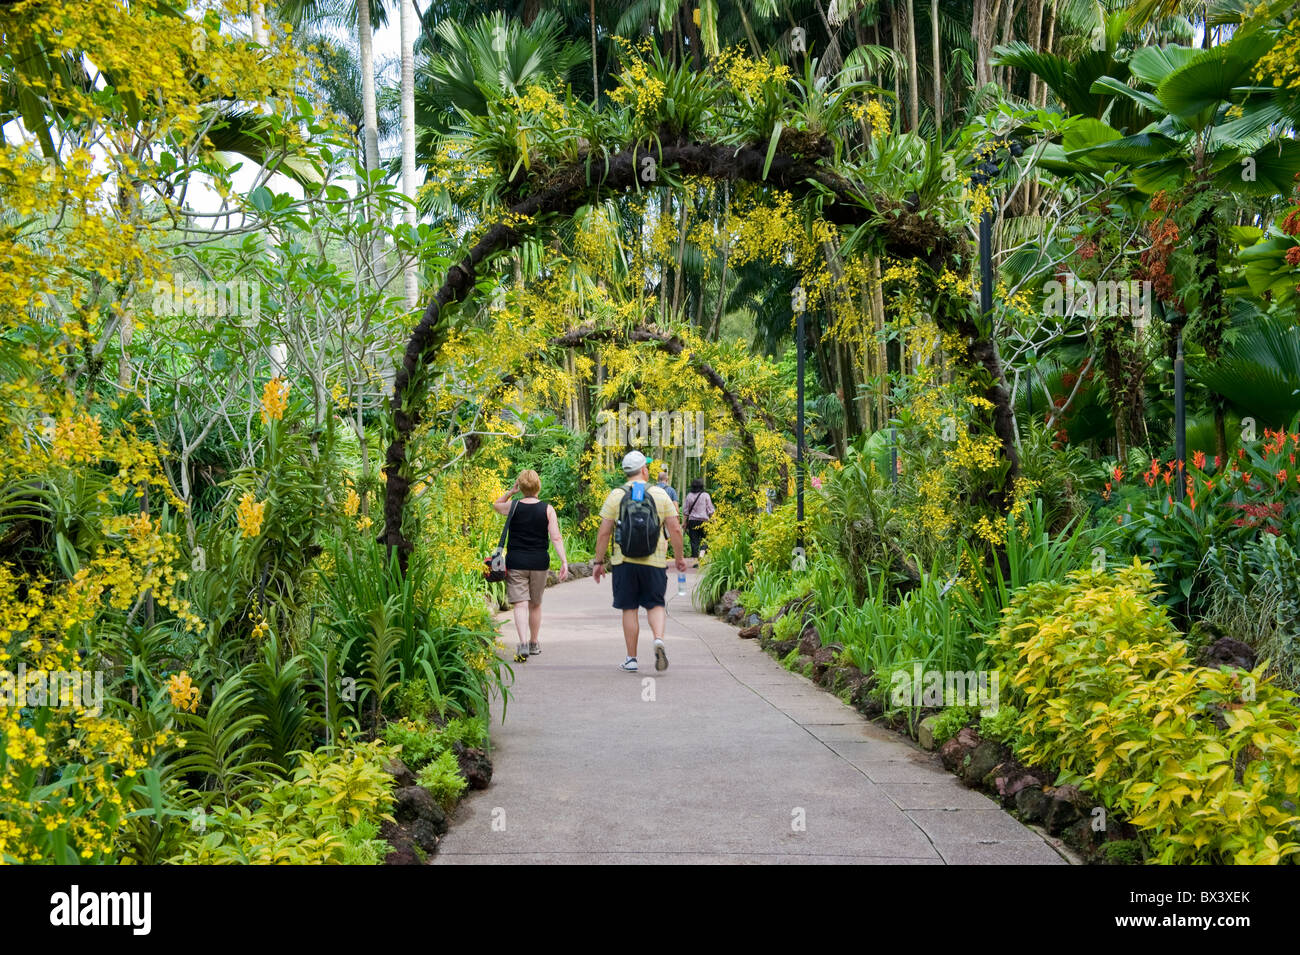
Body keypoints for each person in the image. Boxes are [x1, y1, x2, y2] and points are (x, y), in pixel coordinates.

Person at [592, 451, 687, 672]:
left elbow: (604, 532)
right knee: (655, 604)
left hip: (624, 562)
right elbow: (675, 529)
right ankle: (658, 639)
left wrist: (598, 562)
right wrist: (680, 558)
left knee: (629, 607)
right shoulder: (660, 495)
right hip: (654, 562)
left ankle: (631, 658)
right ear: (644, 470)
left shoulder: (616, 495)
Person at [492, 470, 568, 662]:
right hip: (539, 562)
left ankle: (523, 642)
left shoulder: (513, 506)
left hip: (516, 561)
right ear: (538, 486)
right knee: (535, 604)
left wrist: (511, 492)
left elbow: (496, 505)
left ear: (521, 487)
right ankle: (534, 643)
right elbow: (556, 537)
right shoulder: (548, 509)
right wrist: (564, 561)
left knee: (520, 604)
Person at [681, 477, 715, 564]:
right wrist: (714, 521)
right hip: (704, 521)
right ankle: (702, 553)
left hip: (692, 521)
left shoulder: (689, 496)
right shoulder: (705, 495)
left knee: (694, 541)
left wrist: (684, 523)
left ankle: (695, 560)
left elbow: (685, 511)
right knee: (706, 539)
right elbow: (710, 510)